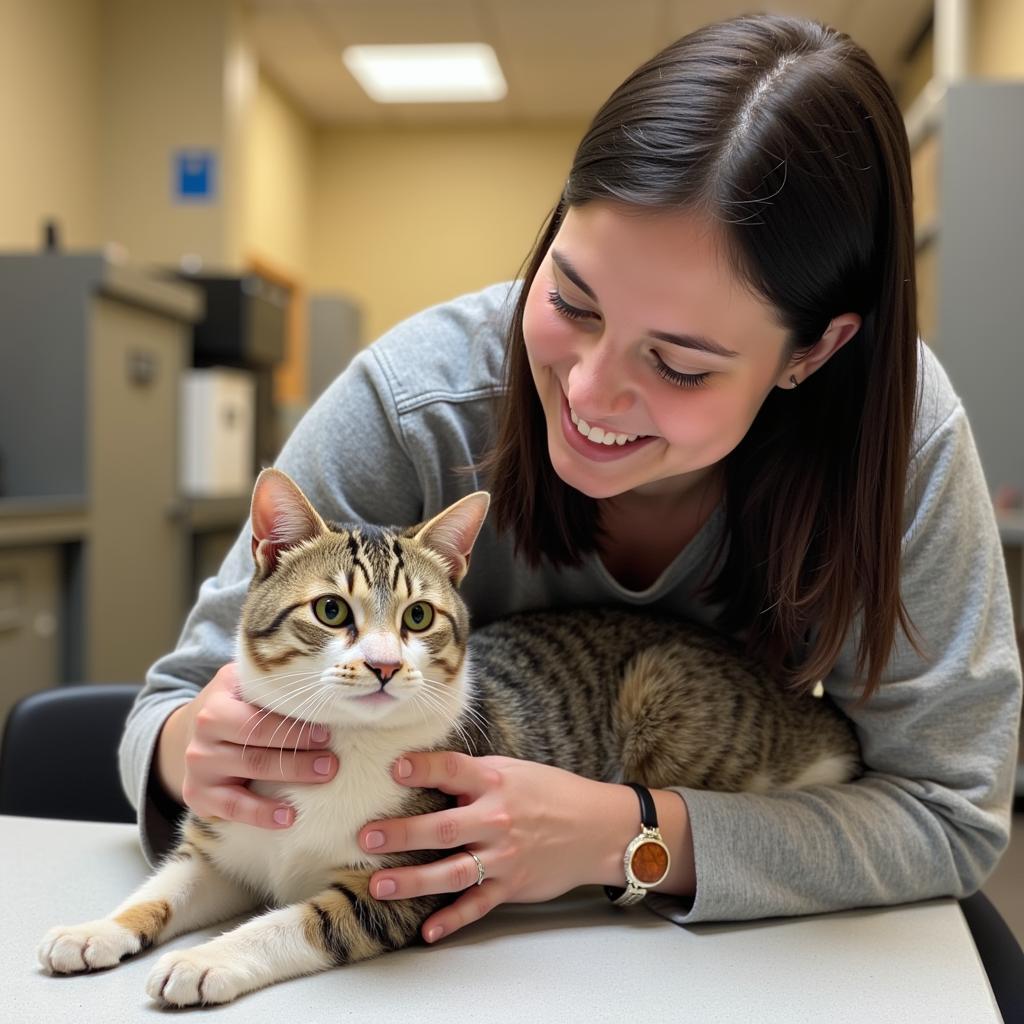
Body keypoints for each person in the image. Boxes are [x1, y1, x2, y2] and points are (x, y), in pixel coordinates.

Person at [122, 11, 1021, 954]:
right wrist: (203, 750)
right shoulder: (416, 404)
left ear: (811, 353)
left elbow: (949, 815)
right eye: (571, 301)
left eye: (679, 363)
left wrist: (627, 835)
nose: (590, 393)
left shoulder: (898, 451)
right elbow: (165, 709)